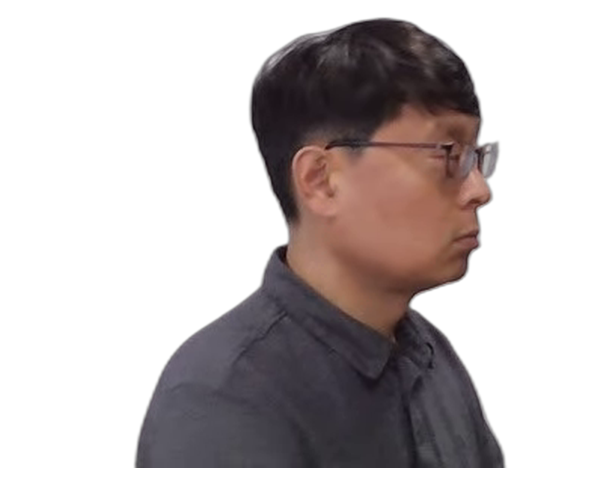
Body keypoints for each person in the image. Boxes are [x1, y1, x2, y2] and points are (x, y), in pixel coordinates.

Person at [134, 17, 505, 468]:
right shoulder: (223, 399)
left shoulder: (429, 355)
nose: (479, 190)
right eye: (448, 154)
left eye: (475, 157)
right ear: (321, 180)